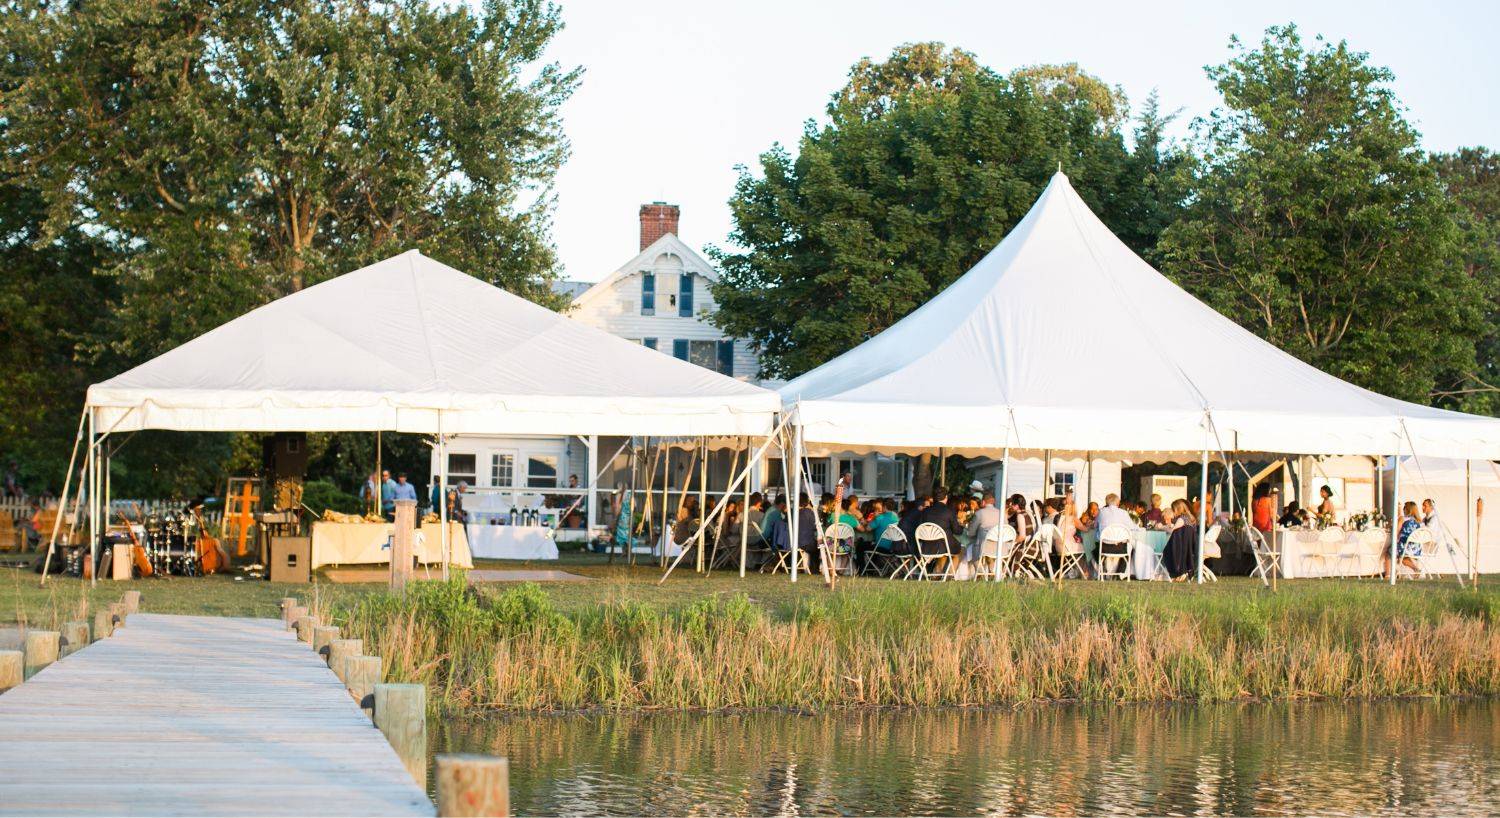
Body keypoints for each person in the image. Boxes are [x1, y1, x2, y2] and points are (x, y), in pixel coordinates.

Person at [916, 487, 963, 568]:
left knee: (946, 547)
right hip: (944, 546)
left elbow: (919, 527)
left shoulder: (925, 511)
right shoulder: (949, 511)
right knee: (960, 549)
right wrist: (961, 526)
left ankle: (938, 572)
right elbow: (957, 531)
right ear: (946, 497)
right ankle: (950, 575)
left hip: (926, 546)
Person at [1383, 501, 1424, 578]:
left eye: (1404, 508)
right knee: (1402, 556)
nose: (1403, 510)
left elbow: (1395, 532)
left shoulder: (1403, 519)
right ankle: (1416, 569)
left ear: (1407, 509)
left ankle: (1388, 575)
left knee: (1389, 553)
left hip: (1404, 546)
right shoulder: (1419, 522)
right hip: (1416, 549)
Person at [1164, 498, 1199, 580]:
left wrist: (1162, 527)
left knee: (1166, 550)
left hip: (1181, 549)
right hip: (1189, 547)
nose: (1172, 512)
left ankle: (1175, 573)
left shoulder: (1182, 519)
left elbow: (1172, 531)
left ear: (1177, 509)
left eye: (1173, 510)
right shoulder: (1191, 518)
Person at [962, 493, 1002, 564]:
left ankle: (979, 572)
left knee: (970, 548)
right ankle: (990, 571)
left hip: (983, 548)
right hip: (1000, 548)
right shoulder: (1001, 514)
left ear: (983, 502)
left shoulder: (979, 513)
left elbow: (971, 533)